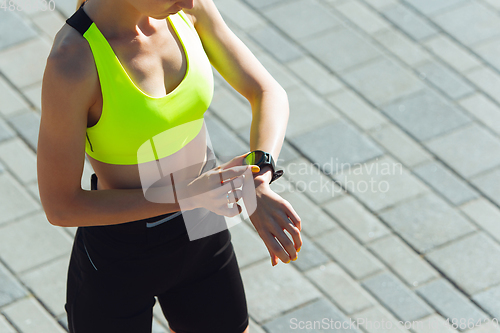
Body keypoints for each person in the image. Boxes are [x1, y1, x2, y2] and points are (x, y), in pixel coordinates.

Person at [37, 0, 302, 332]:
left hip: (203, 232)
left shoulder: (188, 10)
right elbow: (61, 206)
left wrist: (257, 174)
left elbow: (266, 91)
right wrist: (190, 195)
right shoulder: (73, 62)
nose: (189, 0)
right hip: (120, 259)